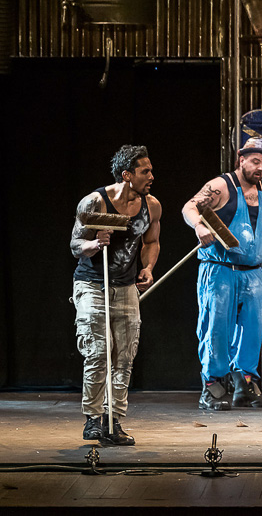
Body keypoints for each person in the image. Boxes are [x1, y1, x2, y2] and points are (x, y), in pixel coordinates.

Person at [183, 137, 262, 411]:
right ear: (241, 159)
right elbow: (189, 207)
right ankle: (212, 388)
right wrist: (199, 226)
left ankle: (245, 386)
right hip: (220, 270)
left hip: (253, 272)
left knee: (251, 331)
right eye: (255, 162)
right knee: (217, 329)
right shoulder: (221, 186)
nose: (260, 168)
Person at [70, 145, 161, 446]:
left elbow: (151, 242)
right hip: (92, 284)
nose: (151, 176)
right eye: (145, 171)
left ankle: (114, 420)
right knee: (98, 352)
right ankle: (93, 418)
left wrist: (147, 268)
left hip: (125, 287)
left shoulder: (152, 206)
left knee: (124, 355)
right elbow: (75, 245)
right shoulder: (95, 202)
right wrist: (95, 244)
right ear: (127, 175)